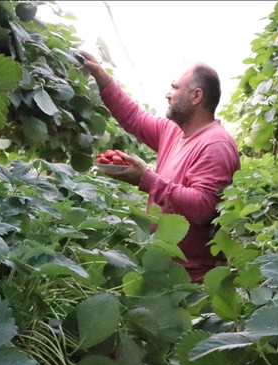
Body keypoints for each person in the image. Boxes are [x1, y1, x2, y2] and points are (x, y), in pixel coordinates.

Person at [77, 51, 240, 283]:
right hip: (164, 270)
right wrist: (101, 75)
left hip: (193, 280)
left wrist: (146, 179)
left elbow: (203, 208)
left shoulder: (215, 144)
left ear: (196, 96)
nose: (168, 94)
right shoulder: (173, 132)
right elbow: (133, 116)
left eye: (174, 88)